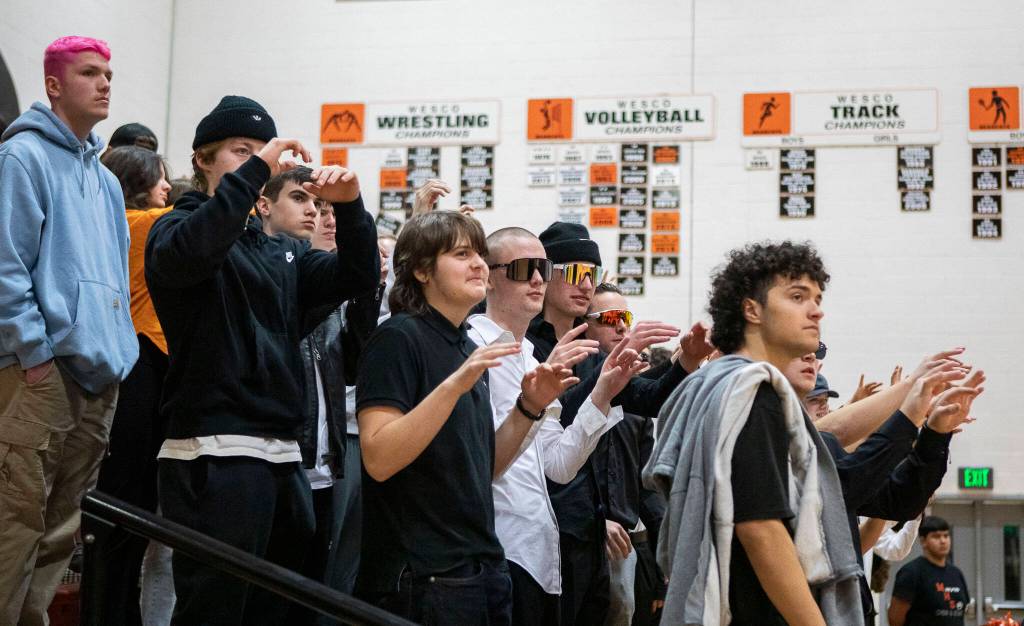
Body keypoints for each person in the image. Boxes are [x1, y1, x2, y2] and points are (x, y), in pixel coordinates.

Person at [145, 95, 380, 625]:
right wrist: (257, 171)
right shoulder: (173, 228)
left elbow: (357, 277)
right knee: (215, 612)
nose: (258, 160)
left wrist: (350, 204)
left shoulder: (279, 251)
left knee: (280, 613)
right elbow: (196, 250)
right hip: (213, 451)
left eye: (263, 152)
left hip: (283, 454)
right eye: (241, 150)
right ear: (203, 159)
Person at [356, 211, 577, 625]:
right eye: (461, 253)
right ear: (421, 269)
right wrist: (454, 385)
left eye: (479, 253)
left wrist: (528, 408)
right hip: (424, 574)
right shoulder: (399, 338)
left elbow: (486, 468)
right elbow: (378, 457)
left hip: (483, 567)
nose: (478, 263)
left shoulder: (463, 346)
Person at [0, 35, 138, 626]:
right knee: (15, 527)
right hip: (42, 373)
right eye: (89, 73)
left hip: (98, 376)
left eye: (108, 73)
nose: (105, 83)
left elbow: (114, 278)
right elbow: (6, 267)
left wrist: (119, 352)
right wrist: (35, 355)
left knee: (59, 535)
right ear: (54, 84)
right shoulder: (22, 157)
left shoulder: (106, 181)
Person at [526, 222, 708, 626]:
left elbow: (649, 399)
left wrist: (686, 363)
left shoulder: (593, 352)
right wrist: (608, 373)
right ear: (544, 272)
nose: (586, 283)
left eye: (592, 273)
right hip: (541, 517)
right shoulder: (527, 343)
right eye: (575, 272)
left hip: (587, 522)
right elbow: (551, 413)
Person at [466, 227, 644, 626]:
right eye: (524, 268)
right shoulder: (469, 347)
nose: (536, 279)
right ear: (489, 277)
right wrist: (530, 406)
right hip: (493, 547)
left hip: (538, 552)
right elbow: (479, 465)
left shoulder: (530, 361)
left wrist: (602, 393)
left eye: (543, 270)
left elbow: (557, 466)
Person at [88, 145, 173, 626]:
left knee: (128, 511)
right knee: (128, 509)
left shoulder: (108, 223)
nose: (167, 189)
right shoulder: (139, 223)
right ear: (139, 183)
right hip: (140, 366)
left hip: (130, 363)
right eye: (161, 181)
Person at [583, 283, 669, 626]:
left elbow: (646, 482)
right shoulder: (568, 383)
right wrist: (595, 523)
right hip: (578, 540)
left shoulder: (635, 399)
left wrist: (669, 550)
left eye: (626, 316)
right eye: (610, 317)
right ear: (584, 325)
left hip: (624, 547)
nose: (621, 326)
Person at [890, 516, 971, 626]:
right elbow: (895, 619)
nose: (943, 541)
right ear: (923, 541)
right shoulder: (911, 572)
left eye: (946, 536)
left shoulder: (956, 573)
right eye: (936, 536)